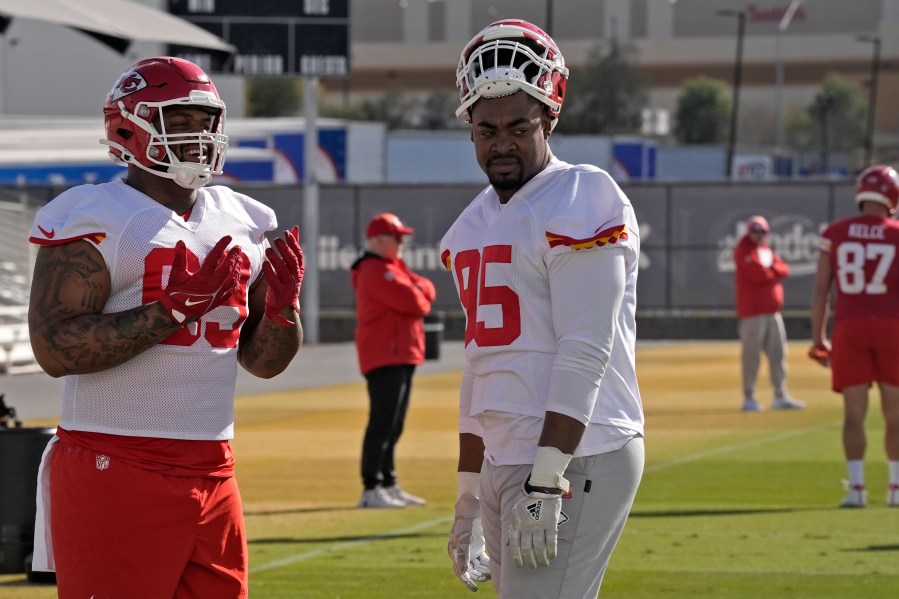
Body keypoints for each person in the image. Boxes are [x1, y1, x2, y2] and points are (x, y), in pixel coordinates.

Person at [26, 57, 304, 598]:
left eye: (205, 121)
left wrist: (281, 309)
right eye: (179, 121)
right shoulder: (94, 214)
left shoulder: (245, 218)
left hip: (213, 467)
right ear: (128, 126)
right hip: (117, 460)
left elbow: (263, 363)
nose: (198, 136)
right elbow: (54, 348)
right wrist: (170, 309)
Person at [441, 20, 644, 598]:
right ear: (469, 131)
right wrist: (468, 491)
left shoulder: (583, 195)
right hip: (507, 457)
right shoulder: (472, 223)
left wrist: (548, 478)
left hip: (576, 452)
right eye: (486, 129)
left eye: (517, 127)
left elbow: (586, 350)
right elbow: (482, 364)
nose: (500, 142)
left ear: (549, 119)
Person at [810, 164, 899, 509]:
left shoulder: (835, 232)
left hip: (850, 327)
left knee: (853, 414)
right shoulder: (895, 233)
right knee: (895, 414)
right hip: (892, 325)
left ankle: (857, 489)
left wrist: (819, 338)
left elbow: (821, 290)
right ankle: (895, 488)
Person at [350, 213, 436, 508]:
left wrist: (415, 287)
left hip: (400, 353)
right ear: (378, 239)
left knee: (394, 423)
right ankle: (371, 487)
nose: (402, 243)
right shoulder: (374, 270)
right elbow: (417, 301)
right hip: (385, 354)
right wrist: (416, 289)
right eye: (397, 237)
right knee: (383, 422)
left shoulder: (391, 267)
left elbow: (427, 289)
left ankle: (388, 482)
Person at [733, 215, 805, 412]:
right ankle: (749, 396)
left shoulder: (765, 250)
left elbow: (784, 268)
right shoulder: (743, 250)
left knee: (778, 354)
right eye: (756, 231)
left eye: (762, 231)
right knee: (751, 357)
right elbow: (758, 276)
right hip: (753, 314)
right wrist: (774, 271)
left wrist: (772, 270)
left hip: (772, 312)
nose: (759, 235)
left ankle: (780, 395)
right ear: (749, 231)